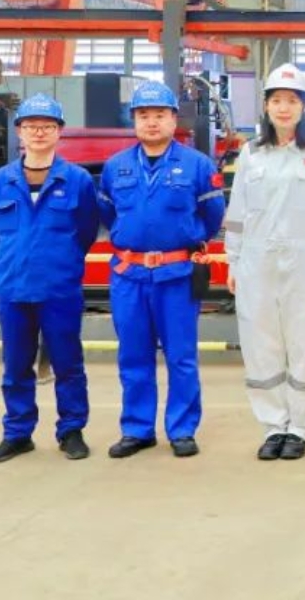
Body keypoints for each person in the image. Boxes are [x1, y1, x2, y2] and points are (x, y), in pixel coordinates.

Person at [222, 64, 305, 461]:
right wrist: (233, 261)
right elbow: (237, 212)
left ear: (303, 107)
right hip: (257, 263)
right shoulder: (251, 153)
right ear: (266, 106)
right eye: (276, 100)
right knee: (262, 346)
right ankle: (273, 426)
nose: (283, 107)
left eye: (292, 100)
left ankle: (301, 429)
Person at [98, 81, 226, 459]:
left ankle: (182, 429)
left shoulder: (197, 165)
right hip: (129, 276)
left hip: (177, 276)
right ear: (134, 121)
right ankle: (137, 429)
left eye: (159, 115)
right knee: (133, 355)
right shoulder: (115, 167)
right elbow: (107, 214)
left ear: (173, 120)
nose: (151, 122)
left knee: (181, 356)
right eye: (143, 116)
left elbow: (212, 216)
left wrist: (184, 243)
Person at [0, 94, 102, 463]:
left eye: (47, 126)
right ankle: (18, 433)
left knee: (68, 363)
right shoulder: (0, 181)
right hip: (13, 288)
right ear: (19, 131)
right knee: (15, 366)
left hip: (59, 288)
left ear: (59, 132)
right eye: (31, 126)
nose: (38, 132)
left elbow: (86, 232)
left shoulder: (77, 180)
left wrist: (60, 261)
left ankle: (71, 431)